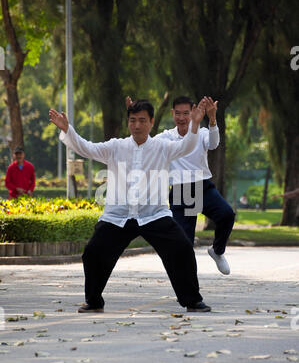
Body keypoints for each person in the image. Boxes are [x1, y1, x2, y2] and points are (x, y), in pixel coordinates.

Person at [49, 99, 212, 313]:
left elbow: (187, 146)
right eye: (133, 120)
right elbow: (87, 148)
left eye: (142, 120)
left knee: (181, 249)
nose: (137, 125)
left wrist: (195, 125)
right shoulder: (116, 146)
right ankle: (94, 301)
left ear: (151, 122)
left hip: (154, 214)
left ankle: (192, 300)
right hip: (119, 216)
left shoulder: (162, 147)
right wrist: (67, 130)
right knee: (93, 253)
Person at [126, 95, 235, 275]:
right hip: (180, 192)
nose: (182, 118)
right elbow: (143, 142)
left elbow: (214, 144)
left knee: (227, 215)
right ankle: (188, 290)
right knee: (183, 243)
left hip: (203, 187)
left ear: (193, 112)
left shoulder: (202, 133)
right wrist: (134, 114)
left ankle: (217, 251)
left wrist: (213, 118)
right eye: (178, 113)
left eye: (186, 113)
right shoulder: (165, 137)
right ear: (172, 114)